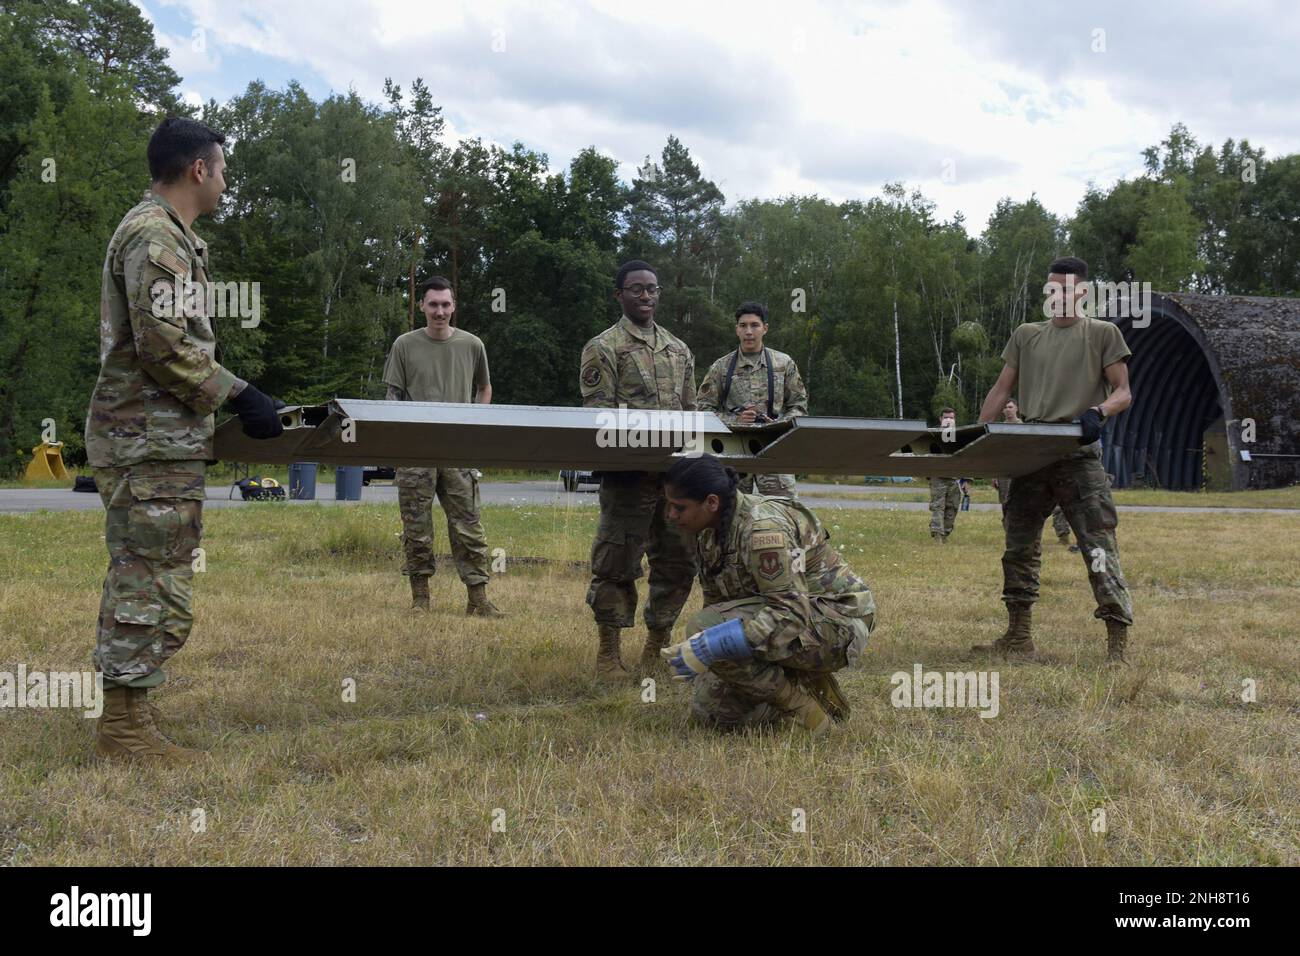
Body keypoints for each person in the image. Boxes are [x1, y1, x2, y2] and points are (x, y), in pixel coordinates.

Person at [85, 117, 284, 763]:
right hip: (146, 441)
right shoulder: (156, 238)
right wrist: (240, 394)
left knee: (156, 573)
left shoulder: (171, 237)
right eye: (223, 169)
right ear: (199, 169)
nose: (226, 182)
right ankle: (123, 729)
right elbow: (164, 346)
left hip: (159, 441)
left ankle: (132, 713)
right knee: (146, 580)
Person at [974, 255, 1135, 665]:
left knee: (1098, 547)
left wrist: (1098, 412)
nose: (1055, 295)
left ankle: (1117, 646)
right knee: (1018, 546)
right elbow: (1000, 389)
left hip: (1077, 456)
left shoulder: (1103, 334)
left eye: (1063, 288)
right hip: (1030, 454)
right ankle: (1018, 636)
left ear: (1082, 291)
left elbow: (1123, 392)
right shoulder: (1026, 335)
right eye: (1050, 289)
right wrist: (977, 438)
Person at [659, 455, 875, 734]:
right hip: (796, 621)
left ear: (711, 502)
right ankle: (804, 678)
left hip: (837, 623)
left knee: (706, 630)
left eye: (679, 507)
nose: (671, 515)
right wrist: (712, 656)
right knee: (711, 714)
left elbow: (791, 613)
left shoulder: (763, 530)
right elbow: (721, 605)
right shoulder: (710, 531)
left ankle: (801, 707)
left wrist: (719, 642)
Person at [579, 260, 697, 679]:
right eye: (636, 289)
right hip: (628, 478)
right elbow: (599, 417)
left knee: (679, 562)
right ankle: (608, 655)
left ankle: (655, 647)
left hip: (674, 481)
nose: (645, 296)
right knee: (616, 564)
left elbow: (690, 414)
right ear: (620, 295)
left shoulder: (679, 349)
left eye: (652, 288)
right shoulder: (604, 346)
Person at [383, 276, 504, 617]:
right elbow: (392, 394)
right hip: (415, 450)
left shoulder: (472, 345)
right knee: (416, 528)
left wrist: (476, 424)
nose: (439, 311)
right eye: (433, 304)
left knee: (468, 526)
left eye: (445, 304)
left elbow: (484, 387)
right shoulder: (404, 345)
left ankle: (478, 601)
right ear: (422, 306)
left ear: (454, 306)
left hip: (458, 451)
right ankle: (420, 600)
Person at [696, 301, 808, 497]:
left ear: (765, 328)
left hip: (774, 447)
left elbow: (798, 406)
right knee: (730, 509)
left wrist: (778, 424)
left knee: (784, 508)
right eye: (743, 326)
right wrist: (734, 420)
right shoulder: (721, 367)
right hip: (733, 450)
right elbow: (703, 410)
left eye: (754, 325)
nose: (749, 331)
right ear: (736, 330)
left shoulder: (784, 363)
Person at [993, 398, 1071, 545]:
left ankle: (1031, 535)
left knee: (1026, 503)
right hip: (1005, 472)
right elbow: (997, 453)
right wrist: (995, 474)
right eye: (1005, 407)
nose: (1007, 410)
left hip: (1022, 470)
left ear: (1017, 409)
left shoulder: (1024, 427)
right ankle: (1010, 534)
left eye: (1010, 407)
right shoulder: (998, 428)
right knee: (1006, 504)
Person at [928, 407, 968, 542]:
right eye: (946, 417)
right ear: (940, 419)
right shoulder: (933, 435)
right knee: (938, 507)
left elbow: (966, 458)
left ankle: (945, 533)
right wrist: (944, 432)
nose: (949, 420)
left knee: (952, 508)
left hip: (954, 479)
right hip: (938, 477)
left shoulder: (961, 436)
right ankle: (937, 535)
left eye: (951, 418)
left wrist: (967, 479)